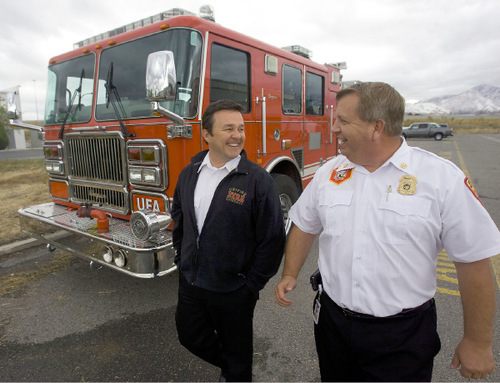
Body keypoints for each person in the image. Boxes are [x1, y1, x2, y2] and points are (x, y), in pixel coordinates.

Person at [275, 82, 500, 381]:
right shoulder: (331, 172)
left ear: (376, 127)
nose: (333, 129)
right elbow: (304, 223)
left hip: (402, 336)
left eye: (343, 121)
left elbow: (473, 262)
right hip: (333, 325)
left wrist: (478, 342)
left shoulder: (440, 178)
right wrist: (290, 273)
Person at [172, 99, 286, 382]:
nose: (237, 135)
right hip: (192, 281)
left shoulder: (257, 180)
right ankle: (233, 367)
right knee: (189, 336)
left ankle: (235, 373)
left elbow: (272, 237)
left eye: (241, 128)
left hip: (234, 289)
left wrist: (251, 284)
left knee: (238, 353)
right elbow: (180, 219)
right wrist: (181, 259)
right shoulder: (190, 173)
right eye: (228, 129)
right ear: (207, 134)